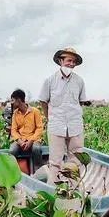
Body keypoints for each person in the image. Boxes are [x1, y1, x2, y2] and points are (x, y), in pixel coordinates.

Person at [38, 47, 88, 185]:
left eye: (74, 62)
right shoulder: (49, 81)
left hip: (75, 125)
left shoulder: (79, 81)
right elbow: (43, 101)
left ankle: (74, 189)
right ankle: (54, 191)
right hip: (56, 124)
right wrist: (49, 118)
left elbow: (81, 102)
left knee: (76, 160)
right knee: (55, 162)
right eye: (69, 60)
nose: (71, 64)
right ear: (61, 61)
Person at [7, 88, 44, 157]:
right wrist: (20, 141)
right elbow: (13, 130)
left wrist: (31, 140)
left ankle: (38, 166)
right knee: (12, 151)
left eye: (13, 100)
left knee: (36, 149)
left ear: (18, 100)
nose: (12, 103)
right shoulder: (15, 113)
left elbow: (39, 128)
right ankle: (14, 167)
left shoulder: (35, 112)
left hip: (34, 140)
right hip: (20, 140)